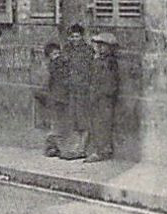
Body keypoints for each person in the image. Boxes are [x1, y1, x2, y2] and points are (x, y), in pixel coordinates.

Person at [83, 32, 120, 163]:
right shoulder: (98, 60)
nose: (100, 48)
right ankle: (99, 149)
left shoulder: (109, 62)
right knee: (96, 123)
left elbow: (109, 82)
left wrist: (101, 93)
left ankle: (102, 150)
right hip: (97, 96)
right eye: (99, 45)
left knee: (103, 124)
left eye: (103, 46)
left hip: (104, 98)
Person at [58, 23, 91, 160]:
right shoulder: (67, 51)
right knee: (74, 118)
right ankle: (76, 147)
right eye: (72, 37)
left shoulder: (87, 51)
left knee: (84, 119)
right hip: (72, 89)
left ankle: (82, 147)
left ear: (82, 37)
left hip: (84, 89)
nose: (75, 39)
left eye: (77, 36)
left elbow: (90, 70)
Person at [35, 41, 68, 157]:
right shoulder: (50, 67)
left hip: (59, 98)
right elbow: (45, 84)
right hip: (52, 98)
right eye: (54, 54)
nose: (57, 56)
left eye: (58, 53)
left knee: (58, 124)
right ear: (49, 56)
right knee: (54, 124)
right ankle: (51, 147)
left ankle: (54, 147)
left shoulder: (61, 66)